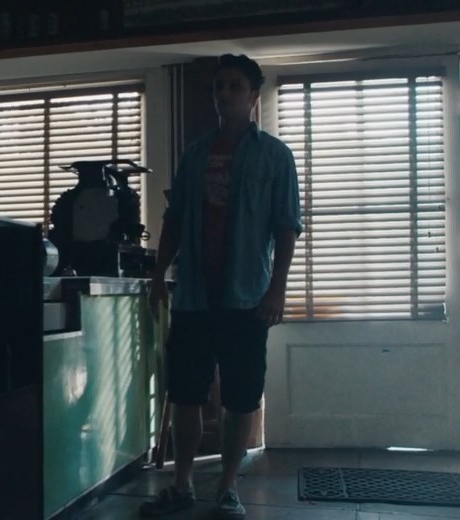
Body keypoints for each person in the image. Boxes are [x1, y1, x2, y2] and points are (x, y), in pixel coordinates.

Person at [141, 54, 303, 519]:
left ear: (253, 95)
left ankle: (228, 487)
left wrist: (277, 289)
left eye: (234, 86)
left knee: (241, 396)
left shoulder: (275, 156)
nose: (224, 94)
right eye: (219, 87)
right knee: (184, 392)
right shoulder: (194, 154)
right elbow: (174, 219)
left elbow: (286, 226)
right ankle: (182, 484)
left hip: (246, 297)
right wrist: (158, 275)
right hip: (193, 296)